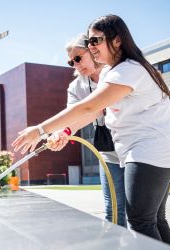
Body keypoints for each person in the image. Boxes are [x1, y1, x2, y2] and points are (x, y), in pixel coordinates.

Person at [12, 14, 170, 246]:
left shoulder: (128, 70)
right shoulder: (111, 72)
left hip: (150, 151)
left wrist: (40, 129)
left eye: (95, 41)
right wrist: (62, 133)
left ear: (117, 40)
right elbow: (90, 113)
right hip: (156, 150)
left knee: (140, 221)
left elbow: (89, 106)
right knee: (153, 218)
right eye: (89, 42)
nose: (91, 47)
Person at [48, 33, 126, 227]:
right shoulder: (76, 86)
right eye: (71, 62)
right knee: (113, 210)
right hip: (108, 149)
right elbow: (71, 117)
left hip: (134, 144)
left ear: (92, 50)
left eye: (78, 58)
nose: (75, 65)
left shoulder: (119, 71)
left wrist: (43, 129)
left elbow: (94, 108)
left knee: (141, 214)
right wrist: (60, 133)